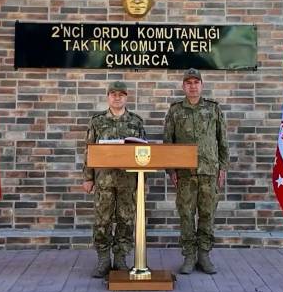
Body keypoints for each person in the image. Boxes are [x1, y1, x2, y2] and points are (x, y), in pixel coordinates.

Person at [163, 68, 228, 275]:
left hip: (209, 171)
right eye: (188, 82)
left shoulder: (213, 109)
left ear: (202, 85)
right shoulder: (175, 111)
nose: (192, 86)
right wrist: (171, 169)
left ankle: (204, 255)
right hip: (185, 174)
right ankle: (189, 256)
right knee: (186, 215)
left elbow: (222, 140)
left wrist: (223, 167)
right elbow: (168, 142)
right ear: (183, 86)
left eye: (196, 82)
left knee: (207, 214)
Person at [82, 81, 147, 278]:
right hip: (104, 181)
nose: (117, 97)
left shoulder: (136, 122)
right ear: (108, 97)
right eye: (113, 94)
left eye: (121, 94)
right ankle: (103, 260)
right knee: (102, 220)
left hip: (128, 182)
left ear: (126, 97)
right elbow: (89, 151)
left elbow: (145, 153)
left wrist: (143, 181)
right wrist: (88, 178)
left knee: (126, 220)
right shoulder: (97, 121)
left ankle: (120, 258)